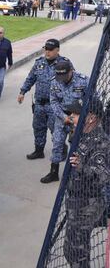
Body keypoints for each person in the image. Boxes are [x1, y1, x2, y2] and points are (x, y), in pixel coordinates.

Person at [63, 98, 110, 267]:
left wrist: (83, 167)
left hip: (87, 204)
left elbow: (103, 175)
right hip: (75, 200)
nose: (71, 117)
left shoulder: (100, 141)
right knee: (70, 250)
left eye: (75, 114)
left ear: (90, 117)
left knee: (77, 252)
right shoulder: (82, 134)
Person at [18, 39, 73, 160]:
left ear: (57, 50)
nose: (47, 52)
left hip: (56, 105)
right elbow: (31, 78)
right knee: (38, 128)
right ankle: (39, 151)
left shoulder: (64, 64)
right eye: (46, 49)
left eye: (50, 50)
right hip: (39, 104)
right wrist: (22, 92)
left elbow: (71, 82)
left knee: (56, 130)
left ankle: (61, 150)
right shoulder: (39, 63)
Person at [41, 61, 89, 183]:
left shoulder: (83, 80)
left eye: (64, 76)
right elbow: (54, 101)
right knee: (57, 144)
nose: (61, 80)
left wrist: (82, 116)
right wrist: (63, 117)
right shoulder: (55, 81)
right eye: (59, 77)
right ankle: (53, 172)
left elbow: (91, 98)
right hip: (62, 118)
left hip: (78, 119)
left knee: (78, 146)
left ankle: (76, 174)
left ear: (71, 71)